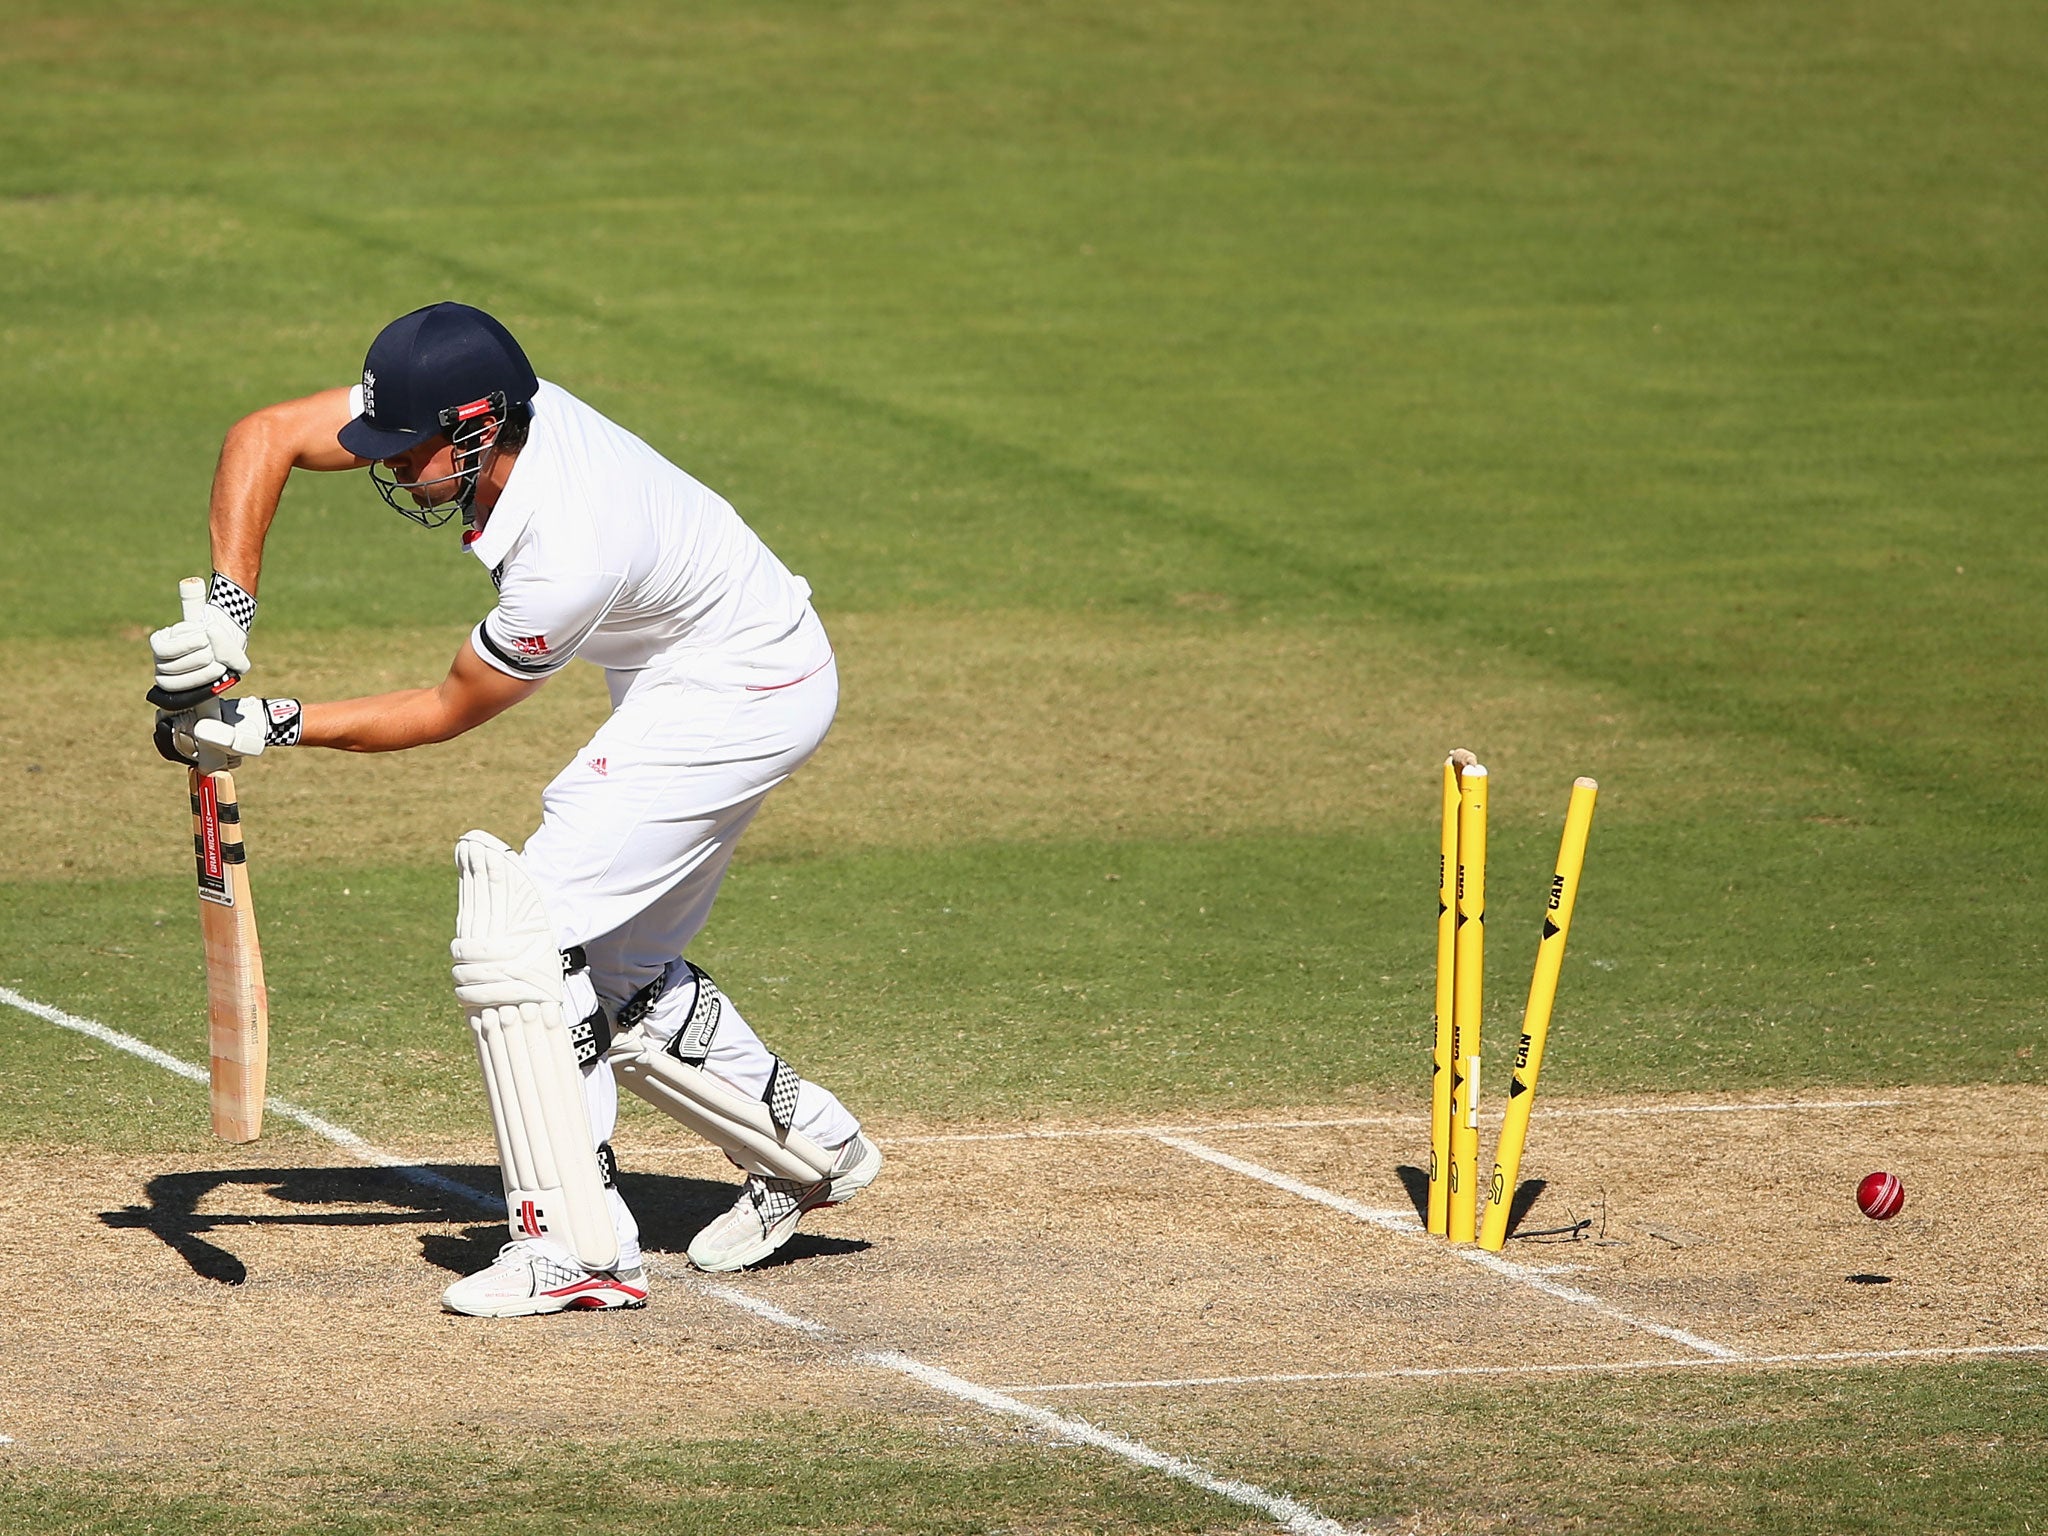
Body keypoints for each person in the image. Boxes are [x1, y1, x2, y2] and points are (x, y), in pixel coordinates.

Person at [148, 301, 882, 1317]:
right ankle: (809, 1151)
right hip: (700, 663)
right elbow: (263, 435)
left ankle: (578, 1252)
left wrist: (267, 724)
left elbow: (447, 708)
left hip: (740, 690)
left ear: (477, 429)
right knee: (614, 971)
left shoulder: (569, 548)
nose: (389, 466)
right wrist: (228, 617)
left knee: (526, 939)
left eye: (407, 449)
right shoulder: (487, 409)